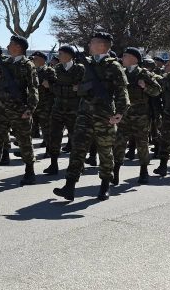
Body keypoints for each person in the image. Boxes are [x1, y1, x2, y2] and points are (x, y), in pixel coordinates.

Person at [53, 32, 130, 202]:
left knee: (105, 151)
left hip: (104, 116)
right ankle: (69, 186)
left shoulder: (114, 66)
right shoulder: (86, 64)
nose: (89, 44)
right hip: (84, 114)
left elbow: (122, 92)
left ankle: (104, 186)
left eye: (92, 42)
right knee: (77, 149)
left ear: (102, 46)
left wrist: (119, 113)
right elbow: (79, 86)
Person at [0, 35, 40, 187]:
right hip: (1, 108)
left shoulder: (27, 65)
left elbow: (33, 89)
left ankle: (30, 173)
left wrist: (30, 109)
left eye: (11, 44)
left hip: (20, 110)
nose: (8, 46)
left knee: (24, 142)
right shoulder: (6, 63)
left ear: (18, 47)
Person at [116, 47, 163, 184]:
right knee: (119, 143)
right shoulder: (121, 73)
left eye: (125, 56)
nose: (122, 58)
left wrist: (145, 87)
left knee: (142, 144)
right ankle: (115, 171)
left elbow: (157, 90)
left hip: (141, 116)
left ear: (133, 58)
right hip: (124, 115)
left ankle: (144, 171)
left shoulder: (143, 74)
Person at [42, 45, 85, 175]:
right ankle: (53, 164)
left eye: (61, 53)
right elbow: (50, 87)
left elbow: (86, 86)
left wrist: (79, 88)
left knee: (76, 138)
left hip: (75, 108)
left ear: (69, 55)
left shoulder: (80, 69)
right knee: (54, 136)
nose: (58, 56)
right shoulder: (56, 69)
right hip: (58, 107)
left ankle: (78, 165)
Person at [32, 51, 56, 145]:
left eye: (36, 58)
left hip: (45, 105)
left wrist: (49, 85)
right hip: (35, 103)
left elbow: (55, 87)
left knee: (46, 128)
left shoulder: (49, 71)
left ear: (42, 60)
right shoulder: (33, 70)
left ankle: (49, 150)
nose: (34, 60)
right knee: (31, 128)